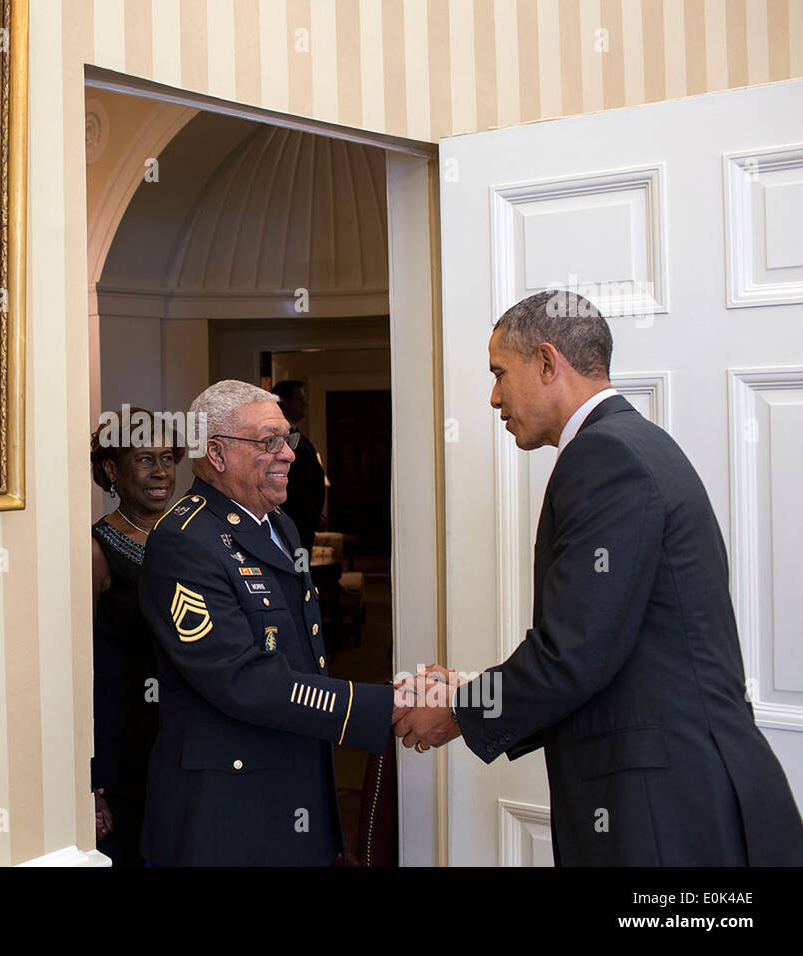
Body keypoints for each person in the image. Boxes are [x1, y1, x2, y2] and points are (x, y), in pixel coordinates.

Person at [393, 290, 803, 866]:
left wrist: (460, 710)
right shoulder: (633, 444)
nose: (492, 398)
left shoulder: (606, 456)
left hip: (665, 811)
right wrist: (467, 689)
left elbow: (573, 654)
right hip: (679, 797)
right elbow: (605, 646)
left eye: (498, 373)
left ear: (545, 361)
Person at [137, 380, 406, 866]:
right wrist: (382, 705)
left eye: (288, 439)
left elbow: (301, 656)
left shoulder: (277, 524)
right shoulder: (184, 541)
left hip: (293, 780)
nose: (288, 455)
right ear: (216, 453)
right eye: (269, 442)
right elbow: (242, 679)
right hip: (228, 809)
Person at [88, 412, 184, 867]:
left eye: (167, 458)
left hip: (184, 738)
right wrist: (91, 779)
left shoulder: (190, 542)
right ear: (112, 470)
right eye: (145, 459)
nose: (161, 472)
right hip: (124, 746)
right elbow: (77, 668)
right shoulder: (95, 550)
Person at [271, 380, 326, 557]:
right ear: (285, 402)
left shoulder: (297, 435)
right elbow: (295, 483)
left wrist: (316, 514)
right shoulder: (277, 436)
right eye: (299, 399)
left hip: (304, 522)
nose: (305, 405)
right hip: (293, 520)